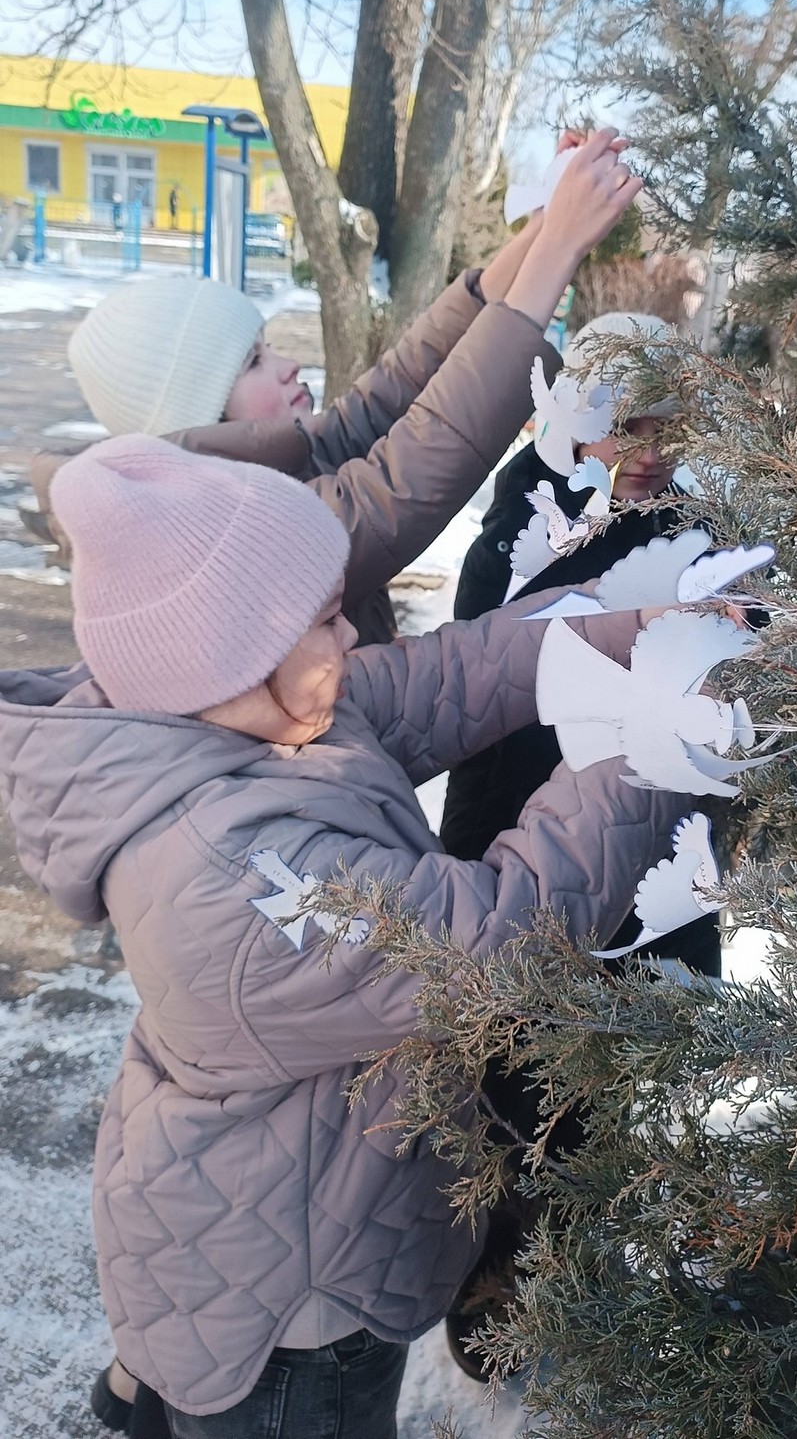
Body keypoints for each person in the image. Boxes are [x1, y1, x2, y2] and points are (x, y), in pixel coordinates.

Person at [0, 437, 682, 1439]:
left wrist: (641, 631)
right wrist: (651, 733)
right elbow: (488, 944)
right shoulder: (230, 879)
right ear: (221, 655)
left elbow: (441, 679)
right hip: (289, 1314)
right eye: (321, 620)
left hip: (287, 1205)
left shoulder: (237, 718)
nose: (346, 641)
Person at [31, 129, 641, 646]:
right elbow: (389, 499)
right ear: (194, 410)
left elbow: (389, 398)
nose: (288, 365)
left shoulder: (262, 471)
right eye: (252, 363)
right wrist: (560, 248)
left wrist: (537, 232)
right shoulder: (203, 532)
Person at [438, 311, 722, 1377]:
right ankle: (498, 1290)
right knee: (524, 1107)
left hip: (662, 872)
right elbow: (477, 737)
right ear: (573, 422)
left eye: (668, 417)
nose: (648, 444)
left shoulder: (708, 528)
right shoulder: (519, 539)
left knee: (624, 1111)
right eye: (621, 422)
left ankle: (597, 1282)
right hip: (538, 877)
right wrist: (474, 886)